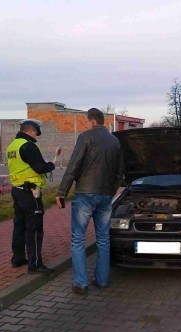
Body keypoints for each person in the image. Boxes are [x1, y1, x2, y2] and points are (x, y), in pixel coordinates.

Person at [56, 108, 123, 295]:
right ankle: (102, 280)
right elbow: (120, 174)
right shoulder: (115, 141)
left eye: (87, 122)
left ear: (92, 121)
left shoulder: (86, 137)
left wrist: (62, 192)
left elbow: (73, 166)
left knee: (78, 239)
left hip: (85, 194)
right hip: (105, 196)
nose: (87, 125)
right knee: (103, 238)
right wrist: (110, 192)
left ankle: (80, 283)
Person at [6, 119, 56, 274]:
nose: (36, 136)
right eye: (36, 133)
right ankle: (35, 264)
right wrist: (51, 166)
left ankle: (18, 258)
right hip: (31, 191)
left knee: (19, 225)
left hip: (17, 190)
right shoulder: (28, 146)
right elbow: (40, 167)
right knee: (34, 228)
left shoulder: (12, 146)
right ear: (31, 131)